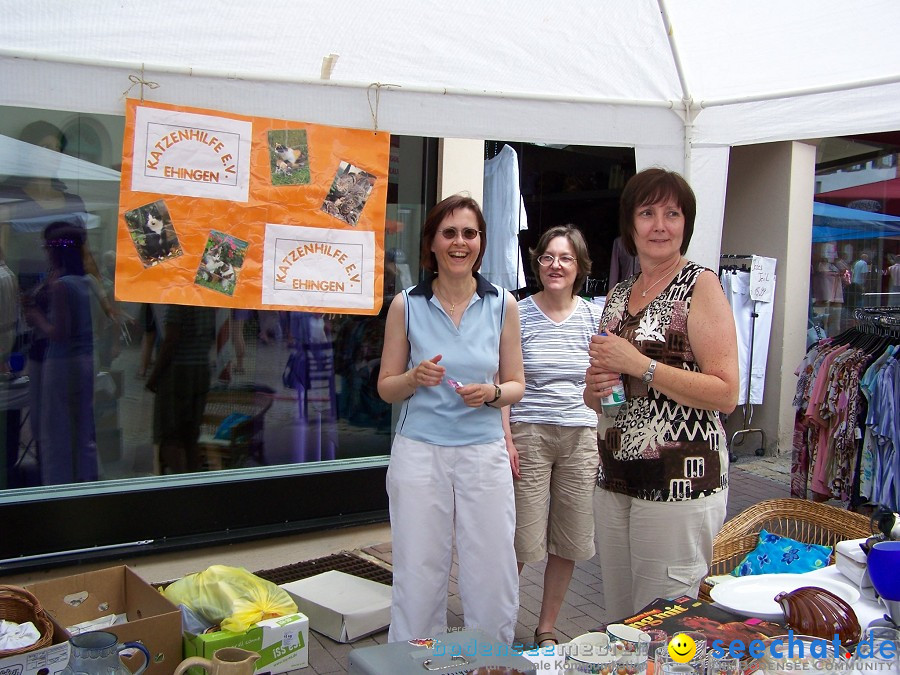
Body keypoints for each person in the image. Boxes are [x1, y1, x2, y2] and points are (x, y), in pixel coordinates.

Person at [583, 168, 739, 618]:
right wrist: (594, 389)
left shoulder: (699, 285)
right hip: (614, 480)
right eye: (647, 212)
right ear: (630, 224)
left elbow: (726, 392)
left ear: (686, 224)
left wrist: (643, 366)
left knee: (663, 627)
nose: (660, 225)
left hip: (679, 485)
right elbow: (599, 392)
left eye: (672, 214)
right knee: (620, 621)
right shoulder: (618, 294)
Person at [377, 194, 525, 644]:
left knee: (492, 569)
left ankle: (492, 664)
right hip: (420, 452)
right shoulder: (407, 304)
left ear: (480, 242)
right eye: (449, 233)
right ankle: (413, 664)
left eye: (469, 233)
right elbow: (386, 387)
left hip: (484, 452)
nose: (460, 242)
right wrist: (414, 377)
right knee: (418, 569)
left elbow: (517, 384)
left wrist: (493, 393)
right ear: (433, 243)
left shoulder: (504, 305)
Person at [502, 225, 602, 648]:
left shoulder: (595, 316)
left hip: (580, 436)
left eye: (565, 258)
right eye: (547, 257)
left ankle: (546, 627)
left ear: (579, 267)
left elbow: (604, 379)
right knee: (521, 539)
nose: (555, 265)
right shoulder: (518, 312)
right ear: (537, 262)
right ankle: (499, 622)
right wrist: (506, 438)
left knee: (568, 537)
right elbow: (504, 378)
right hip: (530, 434)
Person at [22, 222, 98, 485]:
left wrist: (36, 317)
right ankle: (84, 481)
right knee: (82, 427)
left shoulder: (62, 285)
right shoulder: (87, 282)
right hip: (85, 360)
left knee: (55, 431)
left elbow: (59, 332)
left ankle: (57, 488)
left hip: (61, 363)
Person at [146, 304, 215, 474]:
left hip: (178, 373)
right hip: (201, 370)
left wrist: (154, 377)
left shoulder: (178, 302)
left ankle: (178, 480)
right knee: (191, 435)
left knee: (169, 436)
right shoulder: (207, 301)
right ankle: (191, 480)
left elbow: (171, 340)